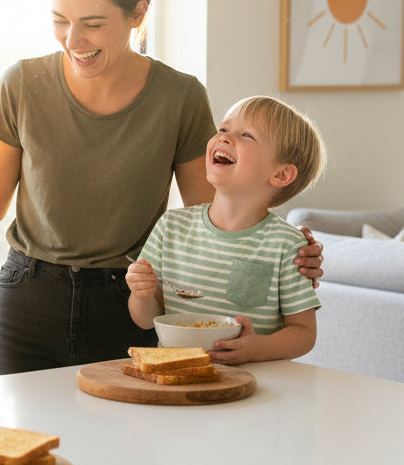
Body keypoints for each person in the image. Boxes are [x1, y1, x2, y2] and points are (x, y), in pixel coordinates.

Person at [0, 0, 323, 375]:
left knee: (125, 441)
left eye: (93, 23)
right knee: (21, 440)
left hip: (132, 301)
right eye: (59, 19)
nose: (73, 39)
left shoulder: (180, 96)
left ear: (138, 14)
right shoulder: (23, 83)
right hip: (30, 299)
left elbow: (212, 217)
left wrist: (283, 250)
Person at [127, 95, 326, 363]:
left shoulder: (288, 245)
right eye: (223, 129)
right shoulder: (170, 227)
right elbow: (146, 320)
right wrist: (142, 293)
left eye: (246, 135)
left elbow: (304, 333)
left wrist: (257, 349)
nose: (224, 138)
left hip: (257, 387)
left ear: (280, 174)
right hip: (180, 379)